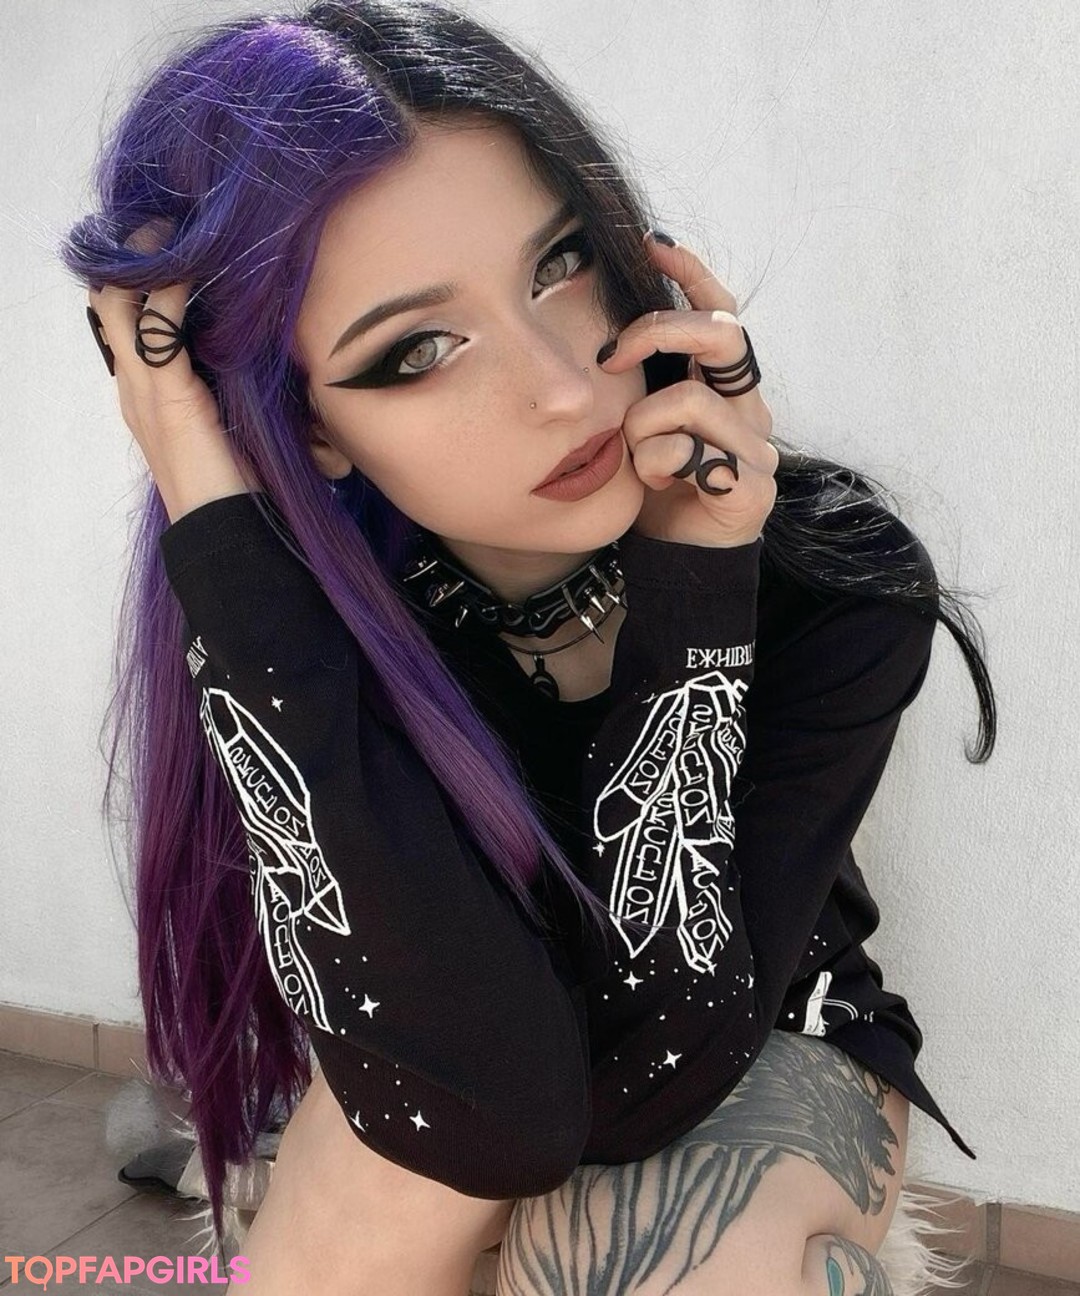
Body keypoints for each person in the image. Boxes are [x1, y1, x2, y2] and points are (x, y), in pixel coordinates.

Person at [64, 2, 995, 1292]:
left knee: (646, 1256)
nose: (563, 386)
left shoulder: (828, 573)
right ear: (306, 428)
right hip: (456, 1040)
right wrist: (201, 490)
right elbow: (492, 1105)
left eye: (558, 263)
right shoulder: (301, 629)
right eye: (418, 348)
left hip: (760, 1023)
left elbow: (645, 1076)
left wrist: (698, 589)